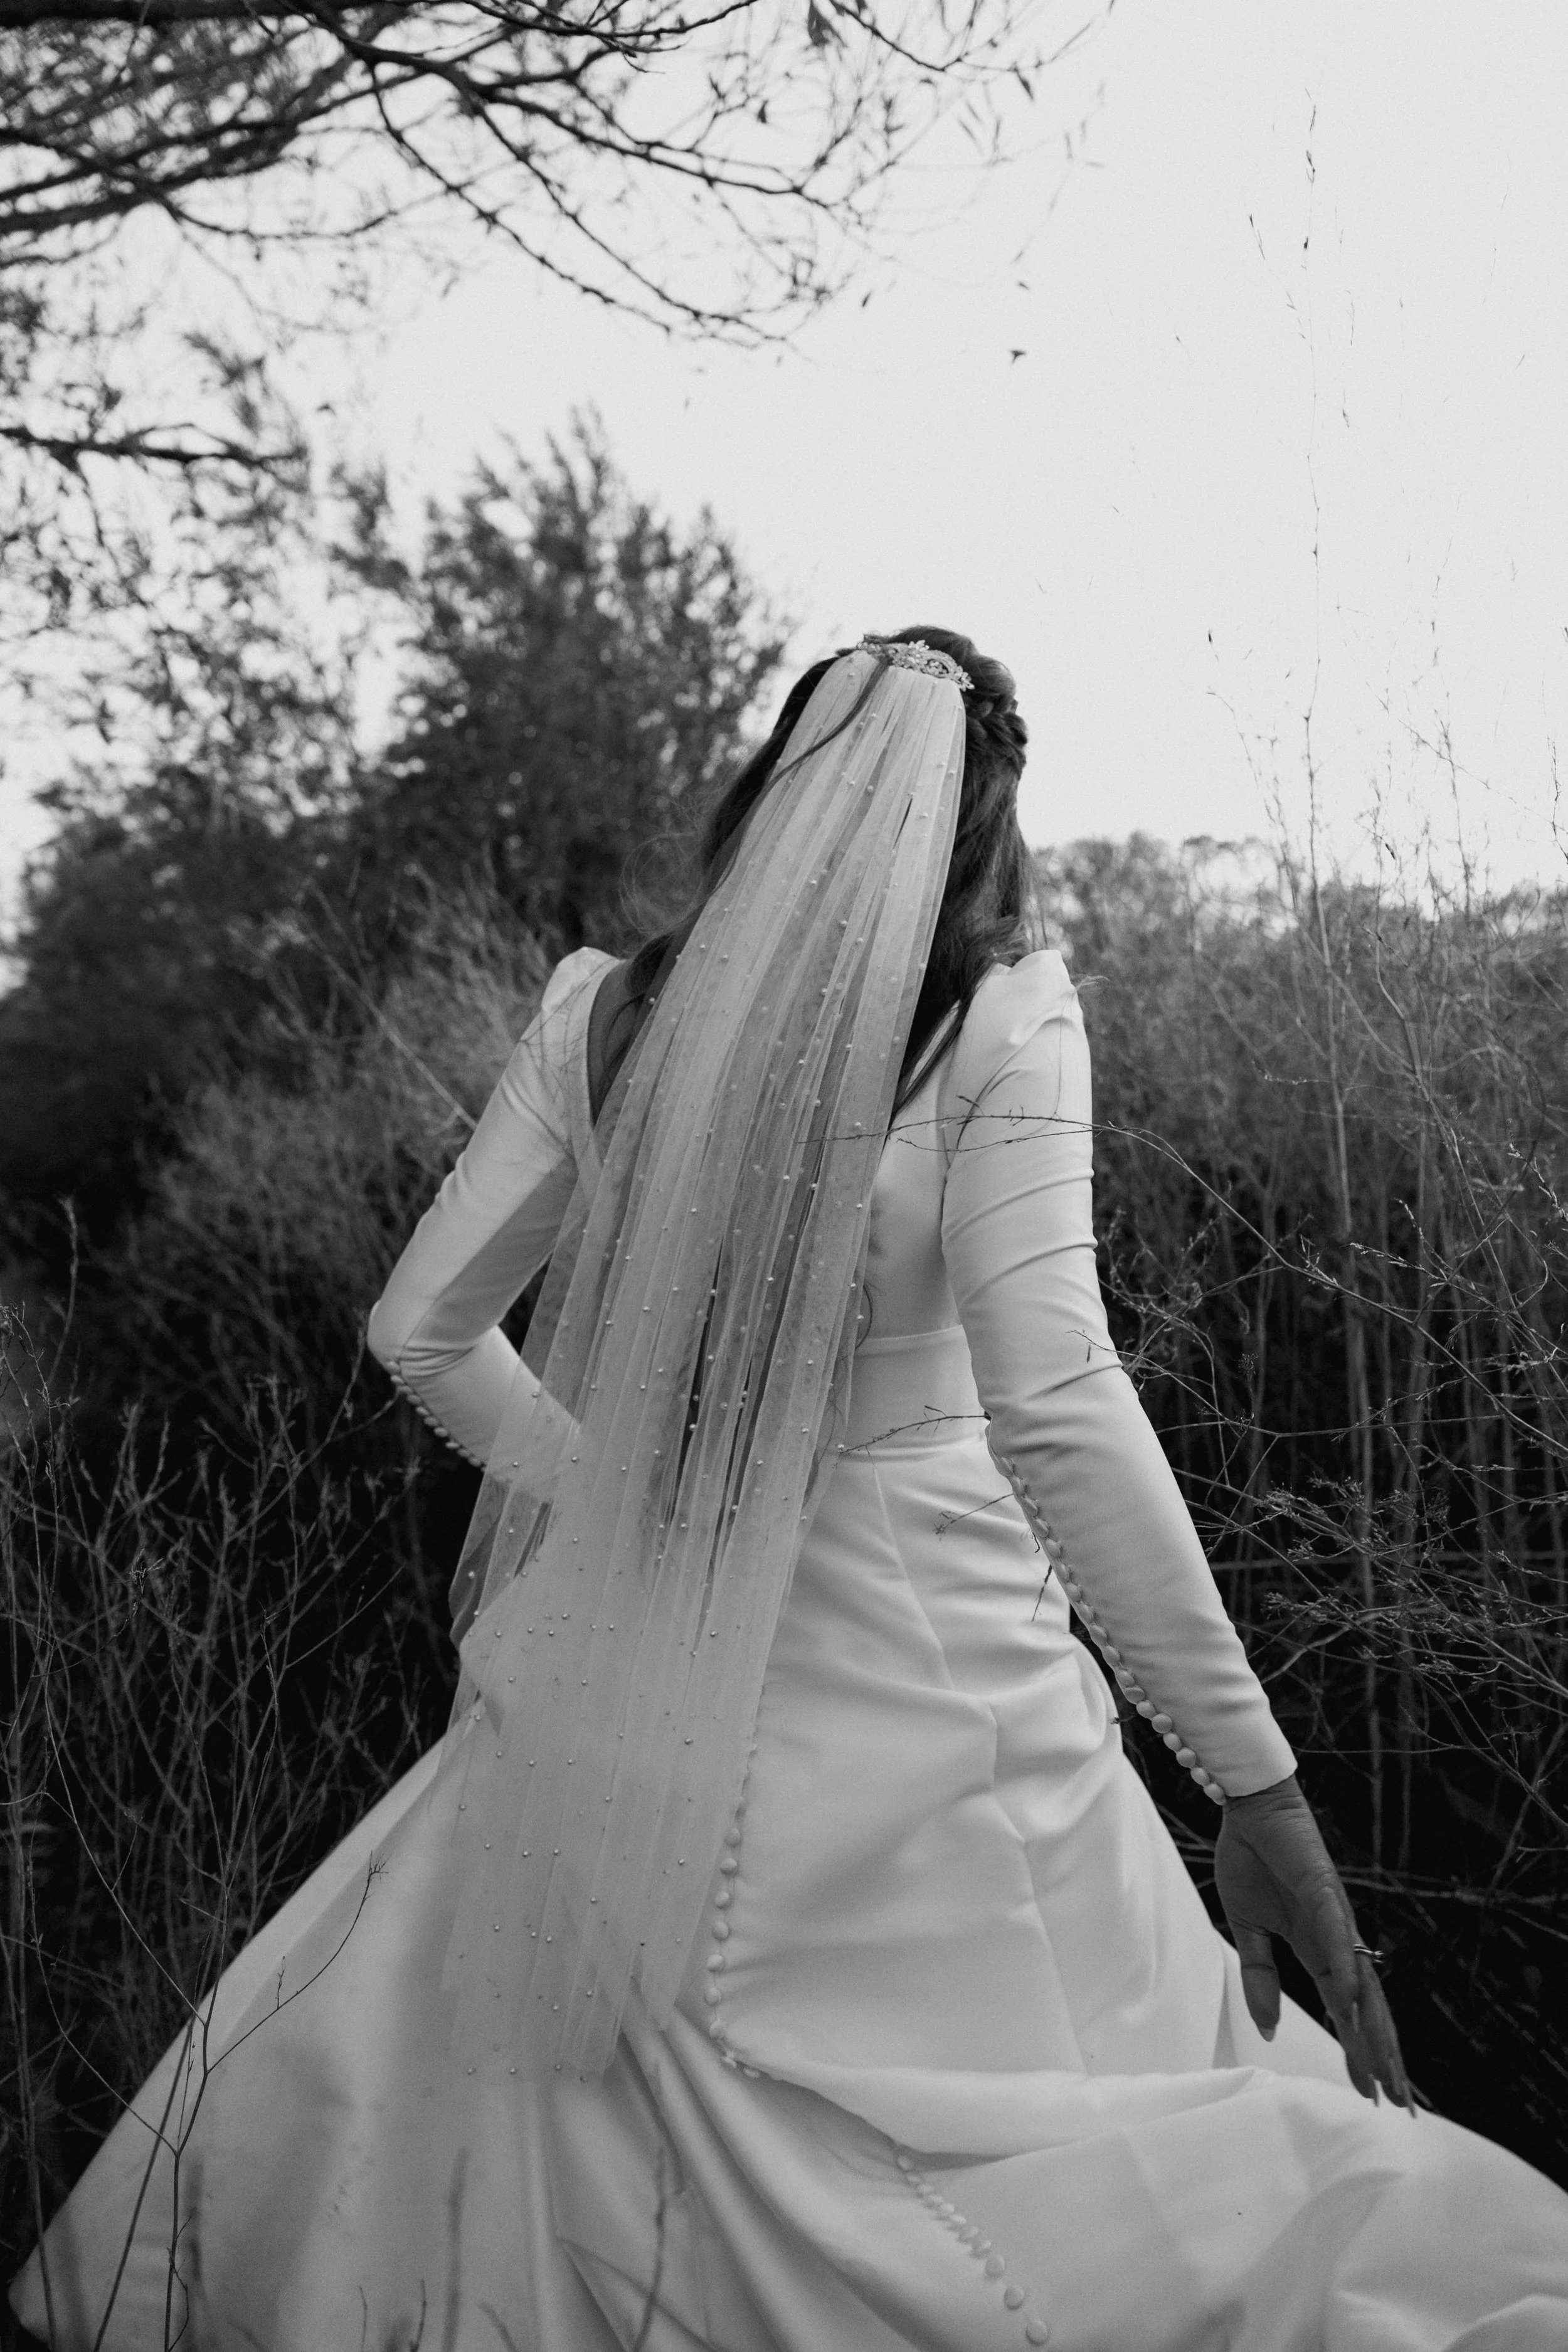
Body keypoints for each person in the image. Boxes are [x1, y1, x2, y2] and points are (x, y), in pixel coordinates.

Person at [13, 631, 1568, 2351]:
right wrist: (1253, 1778)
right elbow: (1053, 1396)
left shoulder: (601, 1010)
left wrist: (609, 1500)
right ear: (987, 822)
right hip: (931, 1672)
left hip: (632, 1644)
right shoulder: (1001, 1015)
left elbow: (420, 1330)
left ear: (780, 786)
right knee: (1089, 2129)